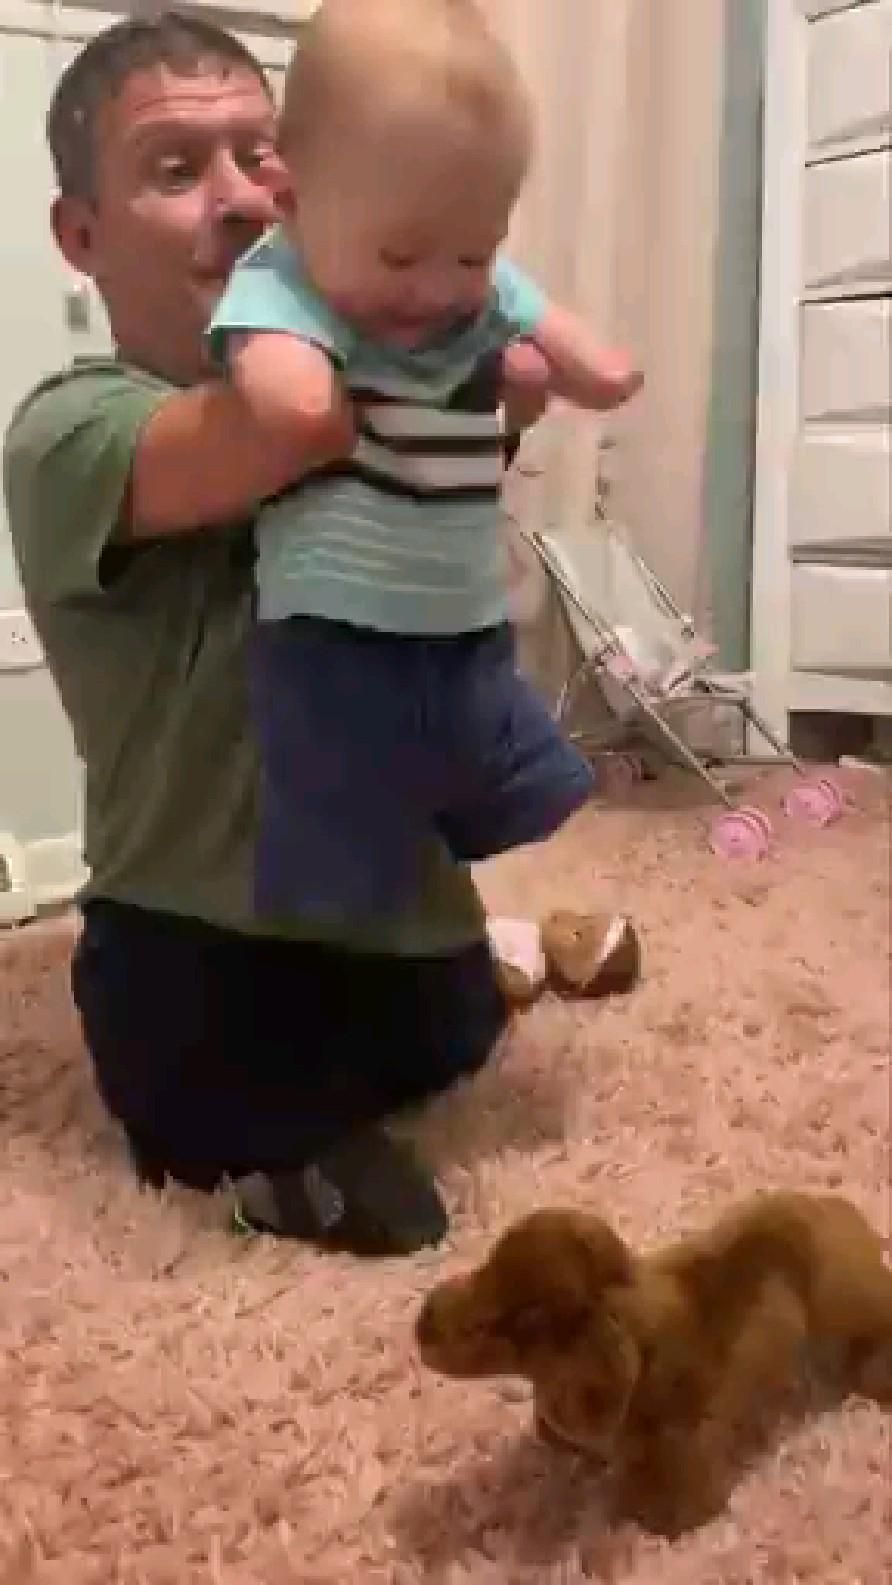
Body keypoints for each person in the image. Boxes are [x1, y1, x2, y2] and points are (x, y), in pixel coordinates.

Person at [2, 10, 564, 1257]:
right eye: (174, 170)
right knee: (208, 1094)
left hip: (407, 913)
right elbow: (286, 428)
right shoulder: (70, 430)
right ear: (80, 237)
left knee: (454, 1030)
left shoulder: (394, 358)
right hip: (211, 945)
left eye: (263, 159)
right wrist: (447, 309)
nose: (244, 200)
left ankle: (491, 958)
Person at [208, 0, 642, 924]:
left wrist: (529, 333)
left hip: (468, 624)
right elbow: (295, 405)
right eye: (401, 256)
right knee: (337, 847)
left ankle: (449, 877)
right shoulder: (281, 280)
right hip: (336, 638)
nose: (440, 290)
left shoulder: (464, 282)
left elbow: (603, 374)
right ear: (290, 198)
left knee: (508, 777)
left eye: (473, 255)